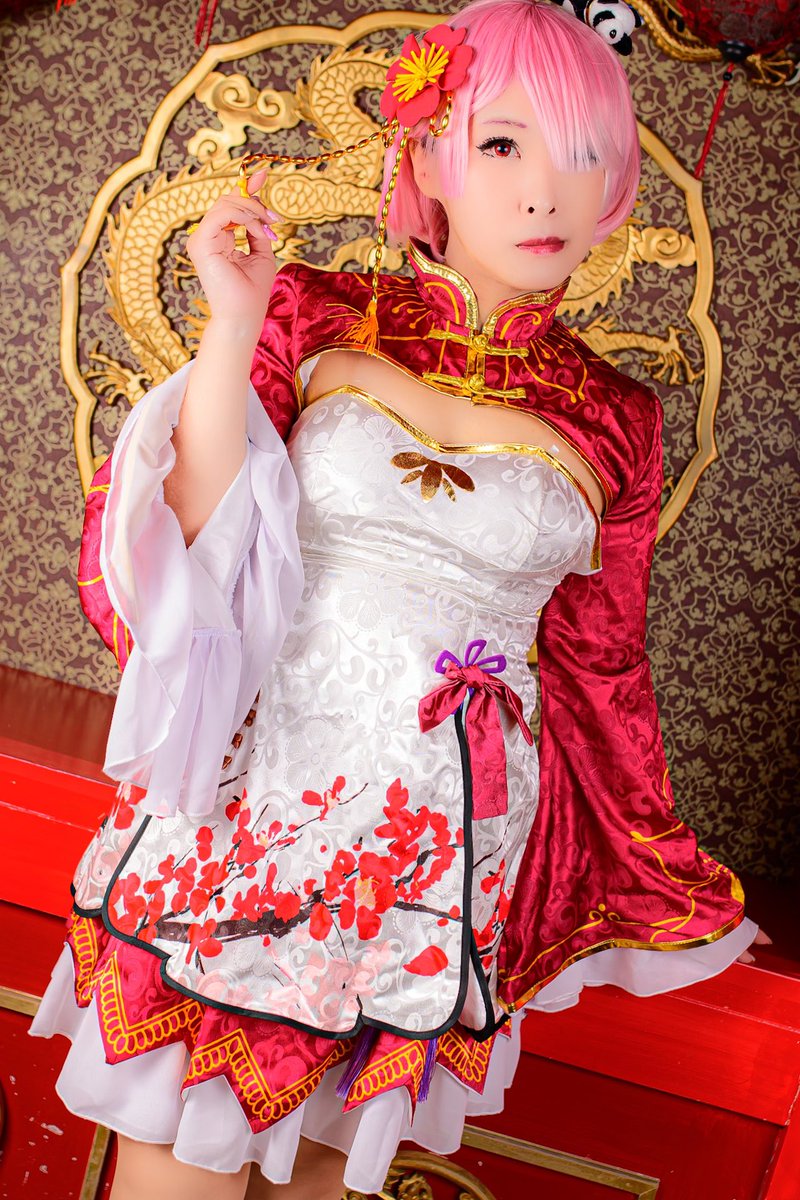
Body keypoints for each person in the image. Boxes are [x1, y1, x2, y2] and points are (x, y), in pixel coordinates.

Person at [30, 2, 768, 1198]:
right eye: (502, 144)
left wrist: (649, 866)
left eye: (583, 153)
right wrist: (233, 323)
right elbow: (197, 535)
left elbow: (599, 667)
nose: (544, 191)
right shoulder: (312, 310)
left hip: (432, 858)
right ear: (426, 154)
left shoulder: (619, 416)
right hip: (254, 818)